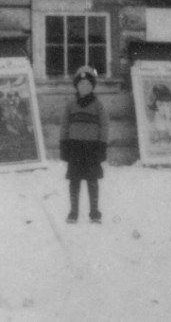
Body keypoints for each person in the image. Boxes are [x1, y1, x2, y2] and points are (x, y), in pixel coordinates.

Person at [59, 66, 109, 224]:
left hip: (92, 149)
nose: (84, 87)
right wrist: (64, 145)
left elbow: (105, 126)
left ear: (92, 86)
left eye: (88, 84)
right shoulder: (71, 104)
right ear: (76, 86)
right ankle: (73, 212)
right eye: (81, 84)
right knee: (74, 180)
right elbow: (64, 126)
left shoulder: (98, 105)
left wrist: (102, 145)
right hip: (75, 148)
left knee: (92, 180)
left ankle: (94, 212)